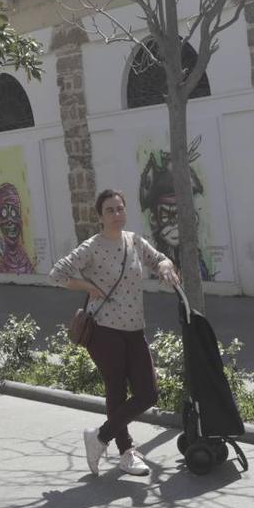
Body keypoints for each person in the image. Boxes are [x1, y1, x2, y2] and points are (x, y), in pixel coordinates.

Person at [50, 189, 181, 477]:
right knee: (116, 390)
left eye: (120, 208)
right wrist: (88, 287)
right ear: (100, 216)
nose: (117, 214)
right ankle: (126, 451)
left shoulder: (134, 241)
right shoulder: (92, 247)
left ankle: (98, 436)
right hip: (105, 330)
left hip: (135, 328)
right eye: (110, 210)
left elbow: (160, 258)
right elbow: (57, 273)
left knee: (148, 393)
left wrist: (165, 267)